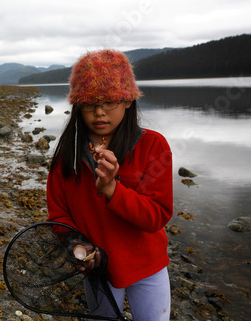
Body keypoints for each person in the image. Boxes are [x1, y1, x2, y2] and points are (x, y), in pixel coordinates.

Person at [46, 49, 173, 321]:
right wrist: (78, 248)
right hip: (98, 269)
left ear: (128, 101)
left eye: (109, 102)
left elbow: (156, 215)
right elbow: (59, 216)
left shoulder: (153, 146)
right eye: (90, 103)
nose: (99, 112)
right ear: (78, 105)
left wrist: (112, 189)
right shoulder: (66, 157)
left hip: (148, 266)